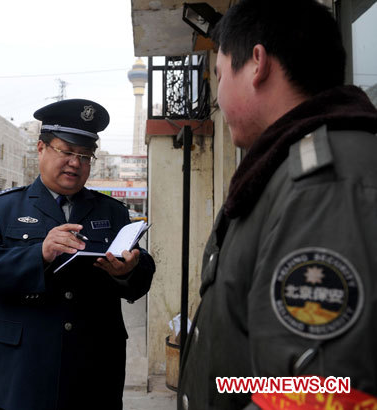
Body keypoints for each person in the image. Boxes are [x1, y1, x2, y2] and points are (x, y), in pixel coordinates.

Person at [177, 0, 377, 408]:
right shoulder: (281, 168)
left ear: (257, 63)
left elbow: (319, 393)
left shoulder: (323, 182)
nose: (217, 95)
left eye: (219, 74)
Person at [0, 99, 156, 409]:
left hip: (94, 372)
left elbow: (142, 273)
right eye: (66, 151)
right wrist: (38, 253)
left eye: (84, 155)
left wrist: (128, 272)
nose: (75, 163)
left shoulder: (112, 211)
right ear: (41, 148)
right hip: (25, 371)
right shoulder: (3, 208)